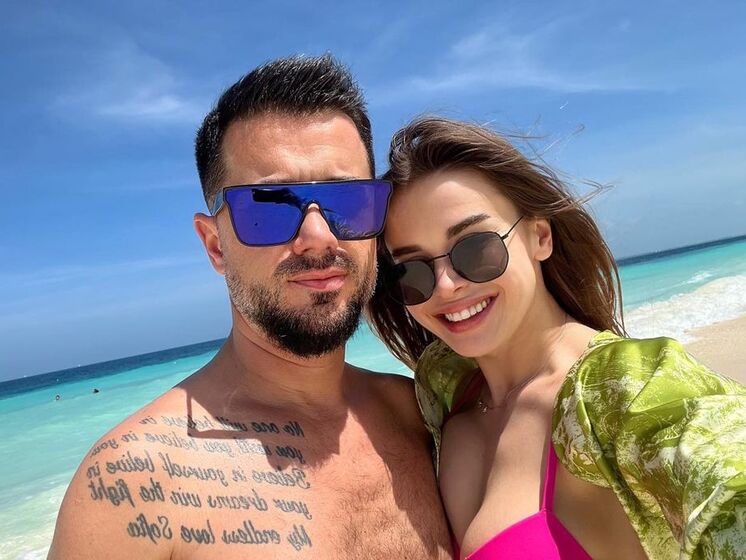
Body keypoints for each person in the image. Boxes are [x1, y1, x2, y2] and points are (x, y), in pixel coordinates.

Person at [48, 56, 451, 559]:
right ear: (215, 245)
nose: (318, 237)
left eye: (348, 202)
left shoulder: (424, 414)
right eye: (269, 208)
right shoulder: (132, 489)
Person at [367, 116, 746, 559]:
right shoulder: (444, 386)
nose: (447, 285)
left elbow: (724, 476)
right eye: (412, 270)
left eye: (475, 247)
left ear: (540, 236)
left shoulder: (622, 390)